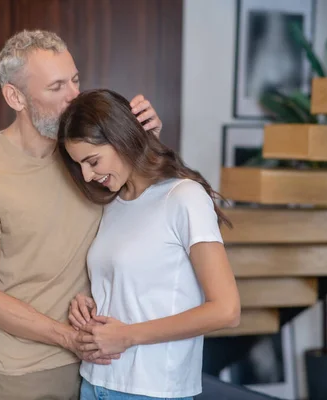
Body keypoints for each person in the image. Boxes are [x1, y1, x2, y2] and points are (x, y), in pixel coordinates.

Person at [0, 30, 163, 399]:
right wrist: (67, 337)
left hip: (108, 367)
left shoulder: (89, 154)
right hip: (32, 374)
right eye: (56, 86)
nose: (73, 96)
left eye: (75, 79)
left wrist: (145, 143)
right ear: (15, 96)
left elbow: (143, 218)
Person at [57, 89, 241, 399]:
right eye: (80, 166)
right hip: (95, 383)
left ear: (121, 139)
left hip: (152, 390)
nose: (87, 176)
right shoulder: (113, 203)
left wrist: (126, 336)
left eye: (93, 161)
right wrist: (89, 301)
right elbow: (135, 287)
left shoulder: (184, 198)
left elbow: (226, 310)